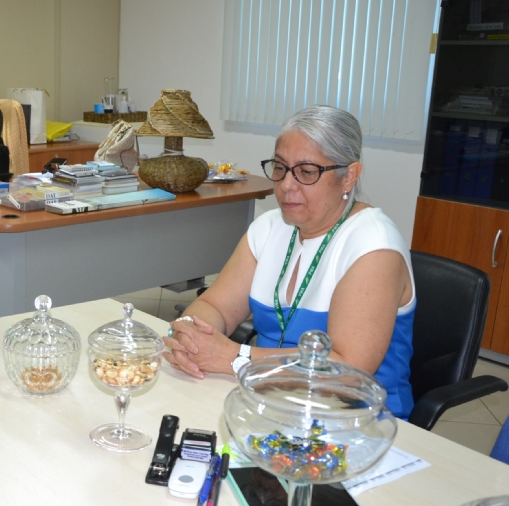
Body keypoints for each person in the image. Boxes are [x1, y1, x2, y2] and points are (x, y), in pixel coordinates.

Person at [163, 105, 415, 419]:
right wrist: (191, 337)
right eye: (280, 168)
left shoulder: (374, 247)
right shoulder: (269, 228)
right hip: (271, 400)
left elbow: (349, 371)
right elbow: (214, 306)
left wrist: (237, 357)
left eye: (307, 172)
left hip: (357, 418)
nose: (286, 185)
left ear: (349, 176)